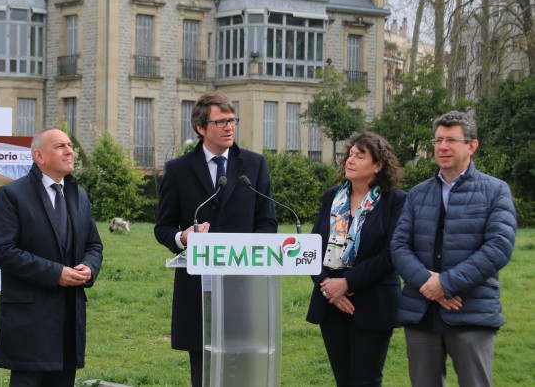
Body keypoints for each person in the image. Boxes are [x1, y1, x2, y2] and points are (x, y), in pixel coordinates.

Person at [154, 91, 277, 387]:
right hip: (198, 286)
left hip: (245, 285)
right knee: (204, 366)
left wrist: (247, 253)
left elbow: (267, 222)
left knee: (243, 365)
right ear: (201, 128)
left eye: (232, 120)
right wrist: (182, 237)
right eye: (220, 122)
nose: (229, 127)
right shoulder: (178, 169)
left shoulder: (254, 165)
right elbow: (163, 227)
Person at [391, 111, 516, 387]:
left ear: (472, 146)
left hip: (470, 312)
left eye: (451, 140)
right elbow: (399, 246)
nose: (442, 147)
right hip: (421, 313)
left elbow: (498, 248)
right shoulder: (418, 193)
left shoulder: (495, 190)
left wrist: (446, 284)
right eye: (438, 140)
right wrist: (429, 284)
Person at [0, 127, 103, 387]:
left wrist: (89, 267)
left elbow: (94, 244)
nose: (69, 151)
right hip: (30, 319)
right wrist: (56, 274)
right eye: (60, 146)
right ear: (39, 156)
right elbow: (2, 251)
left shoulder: (79, 195)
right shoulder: (12, 195)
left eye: (70, 145)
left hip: (69, 317)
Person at [306, 132, 406, 386]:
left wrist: (346, 283)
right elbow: (313, 245)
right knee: (343, 380)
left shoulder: (395, 201)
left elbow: (392, 253)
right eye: (350, 154)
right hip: (330, 303)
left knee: (366, 380)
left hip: (373, 302)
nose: (350, 160)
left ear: (378, 165)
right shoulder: (332, 197)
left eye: (360, 156)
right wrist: (327, 286)